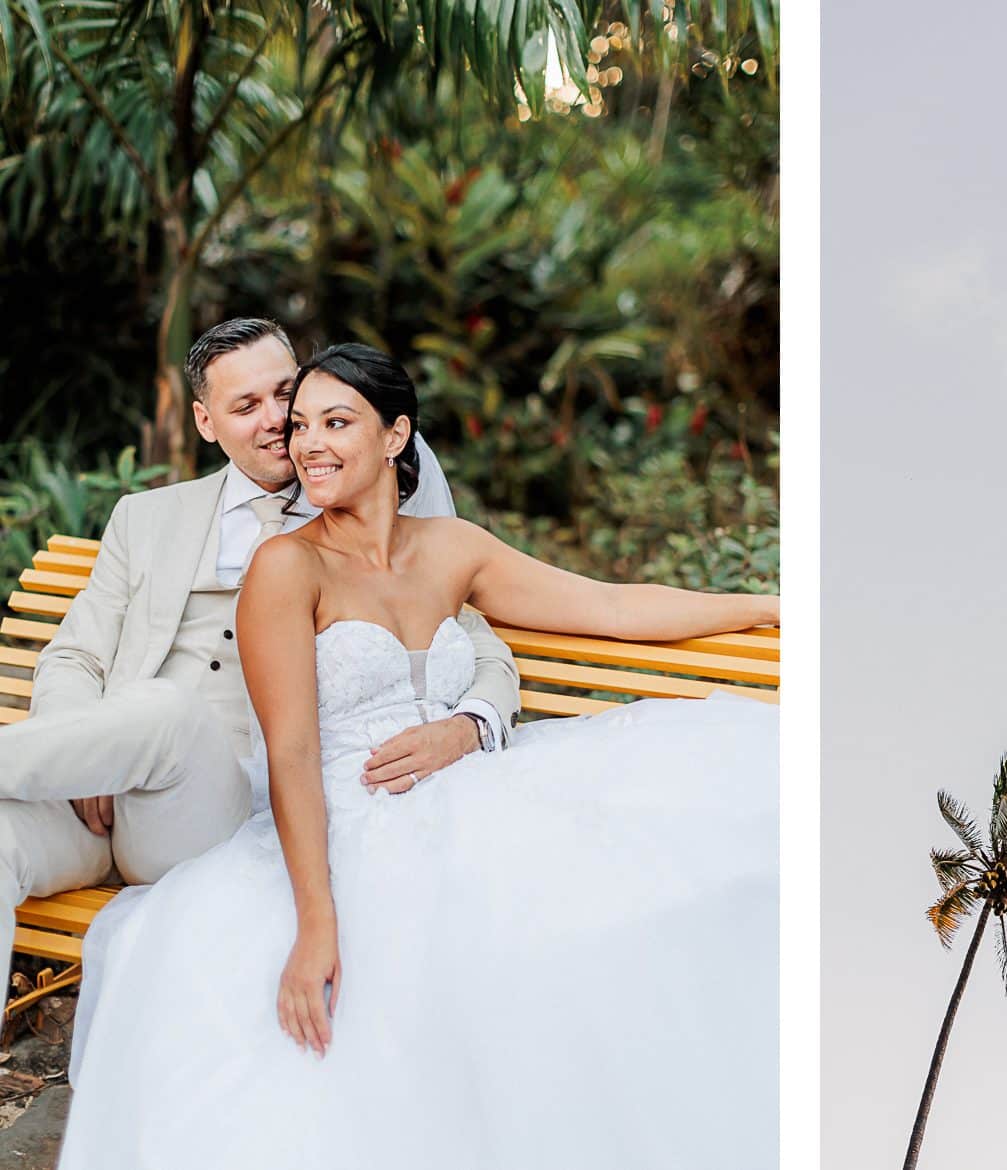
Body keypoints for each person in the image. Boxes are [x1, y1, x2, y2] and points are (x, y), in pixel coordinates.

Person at [57, 343, 780, 1169]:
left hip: (473, 791)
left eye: (337, 422)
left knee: (664, 868)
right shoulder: (286, 567)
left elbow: (611, 605)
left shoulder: (450, 549)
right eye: (301, 426)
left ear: (396, 436)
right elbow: (290, 752)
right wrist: (316, 925)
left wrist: (768, 602)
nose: (308, 444)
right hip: (352, 818)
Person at [0, 319, 517, 991]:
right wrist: (82, 764)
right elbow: (74, 660)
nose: (276, 420)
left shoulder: (360, 506)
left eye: (285, 394)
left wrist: (469, 724)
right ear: (205, 420)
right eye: (246, 407)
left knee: (167, 711)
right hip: (107, 801)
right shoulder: (147, 518)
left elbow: (483, 651)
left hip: (230, 818)